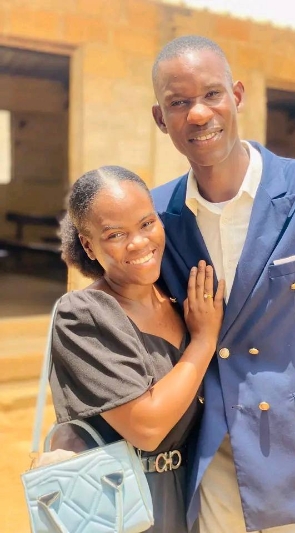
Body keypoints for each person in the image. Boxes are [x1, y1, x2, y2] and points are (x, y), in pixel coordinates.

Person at [150, 35, 295, 533]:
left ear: (237, 96)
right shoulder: (157, 217)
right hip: (209, 478)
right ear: (160, 118)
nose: (199, 113)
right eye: (178, 102)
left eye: (211, 94)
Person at [48, 165, 225, 533]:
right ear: (88, 245)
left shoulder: (179, 300)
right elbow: (147, 426)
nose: (139, 243)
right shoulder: (83, 315)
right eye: (116, 234)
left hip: (187, 497)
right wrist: (204, 341)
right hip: (118, 506)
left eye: (147, 224)